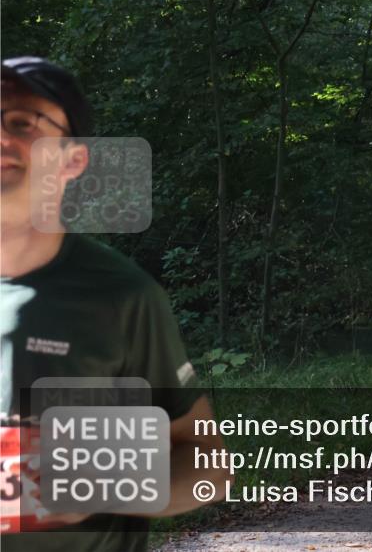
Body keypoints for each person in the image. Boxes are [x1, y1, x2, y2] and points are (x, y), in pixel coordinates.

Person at [0, 57, 227, 551]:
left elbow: (207, 464)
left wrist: (100, 481)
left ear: (73, 160)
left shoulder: (120, 298)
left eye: (22, 123)